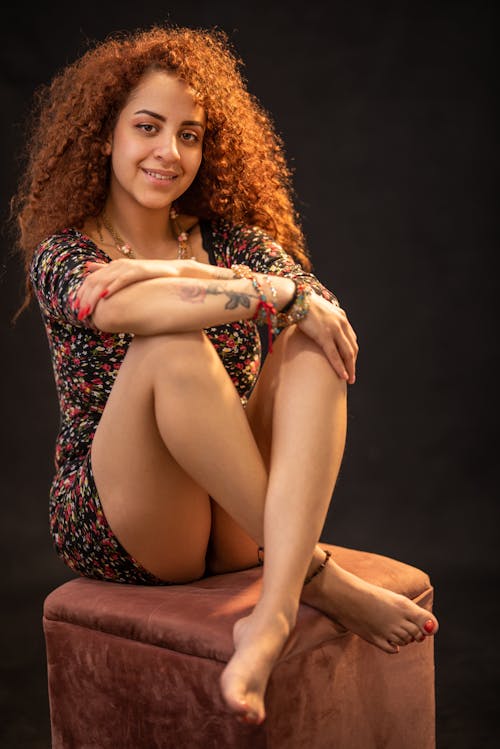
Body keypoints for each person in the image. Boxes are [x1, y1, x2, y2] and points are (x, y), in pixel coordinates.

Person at [10, 24, 438, 726]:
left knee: (312, 341)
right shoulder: (63, 252)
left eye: (190, 134)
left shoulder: (231, 235)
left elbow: (325, 312)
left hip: (234, 514)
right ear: (105, 136)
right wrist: (267, 292)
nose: (168, 151)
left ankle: (271, 613)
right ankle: (317, 578)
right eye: (147, 127)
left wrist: (191, 272)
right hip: (124, 518)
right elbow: (122, 308)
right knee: (171, 343)